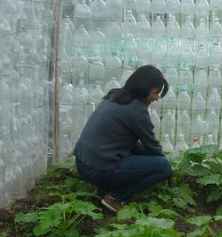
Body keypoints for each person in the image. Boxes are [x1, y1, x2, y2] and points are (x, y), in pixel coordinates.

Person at [73, 65, 173, 213]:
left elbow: (130, 143)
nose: (157, 98)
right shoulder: (136, 110)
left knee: (142, 155)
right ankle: (115, 197)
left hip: (83, 164)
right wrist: (167, 170)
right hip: (98, 169)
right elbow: (153, 147)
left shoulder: (115, 96)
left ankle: (108, 187)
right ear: (144, 88)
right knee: (163, 166)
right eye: (156, 92)